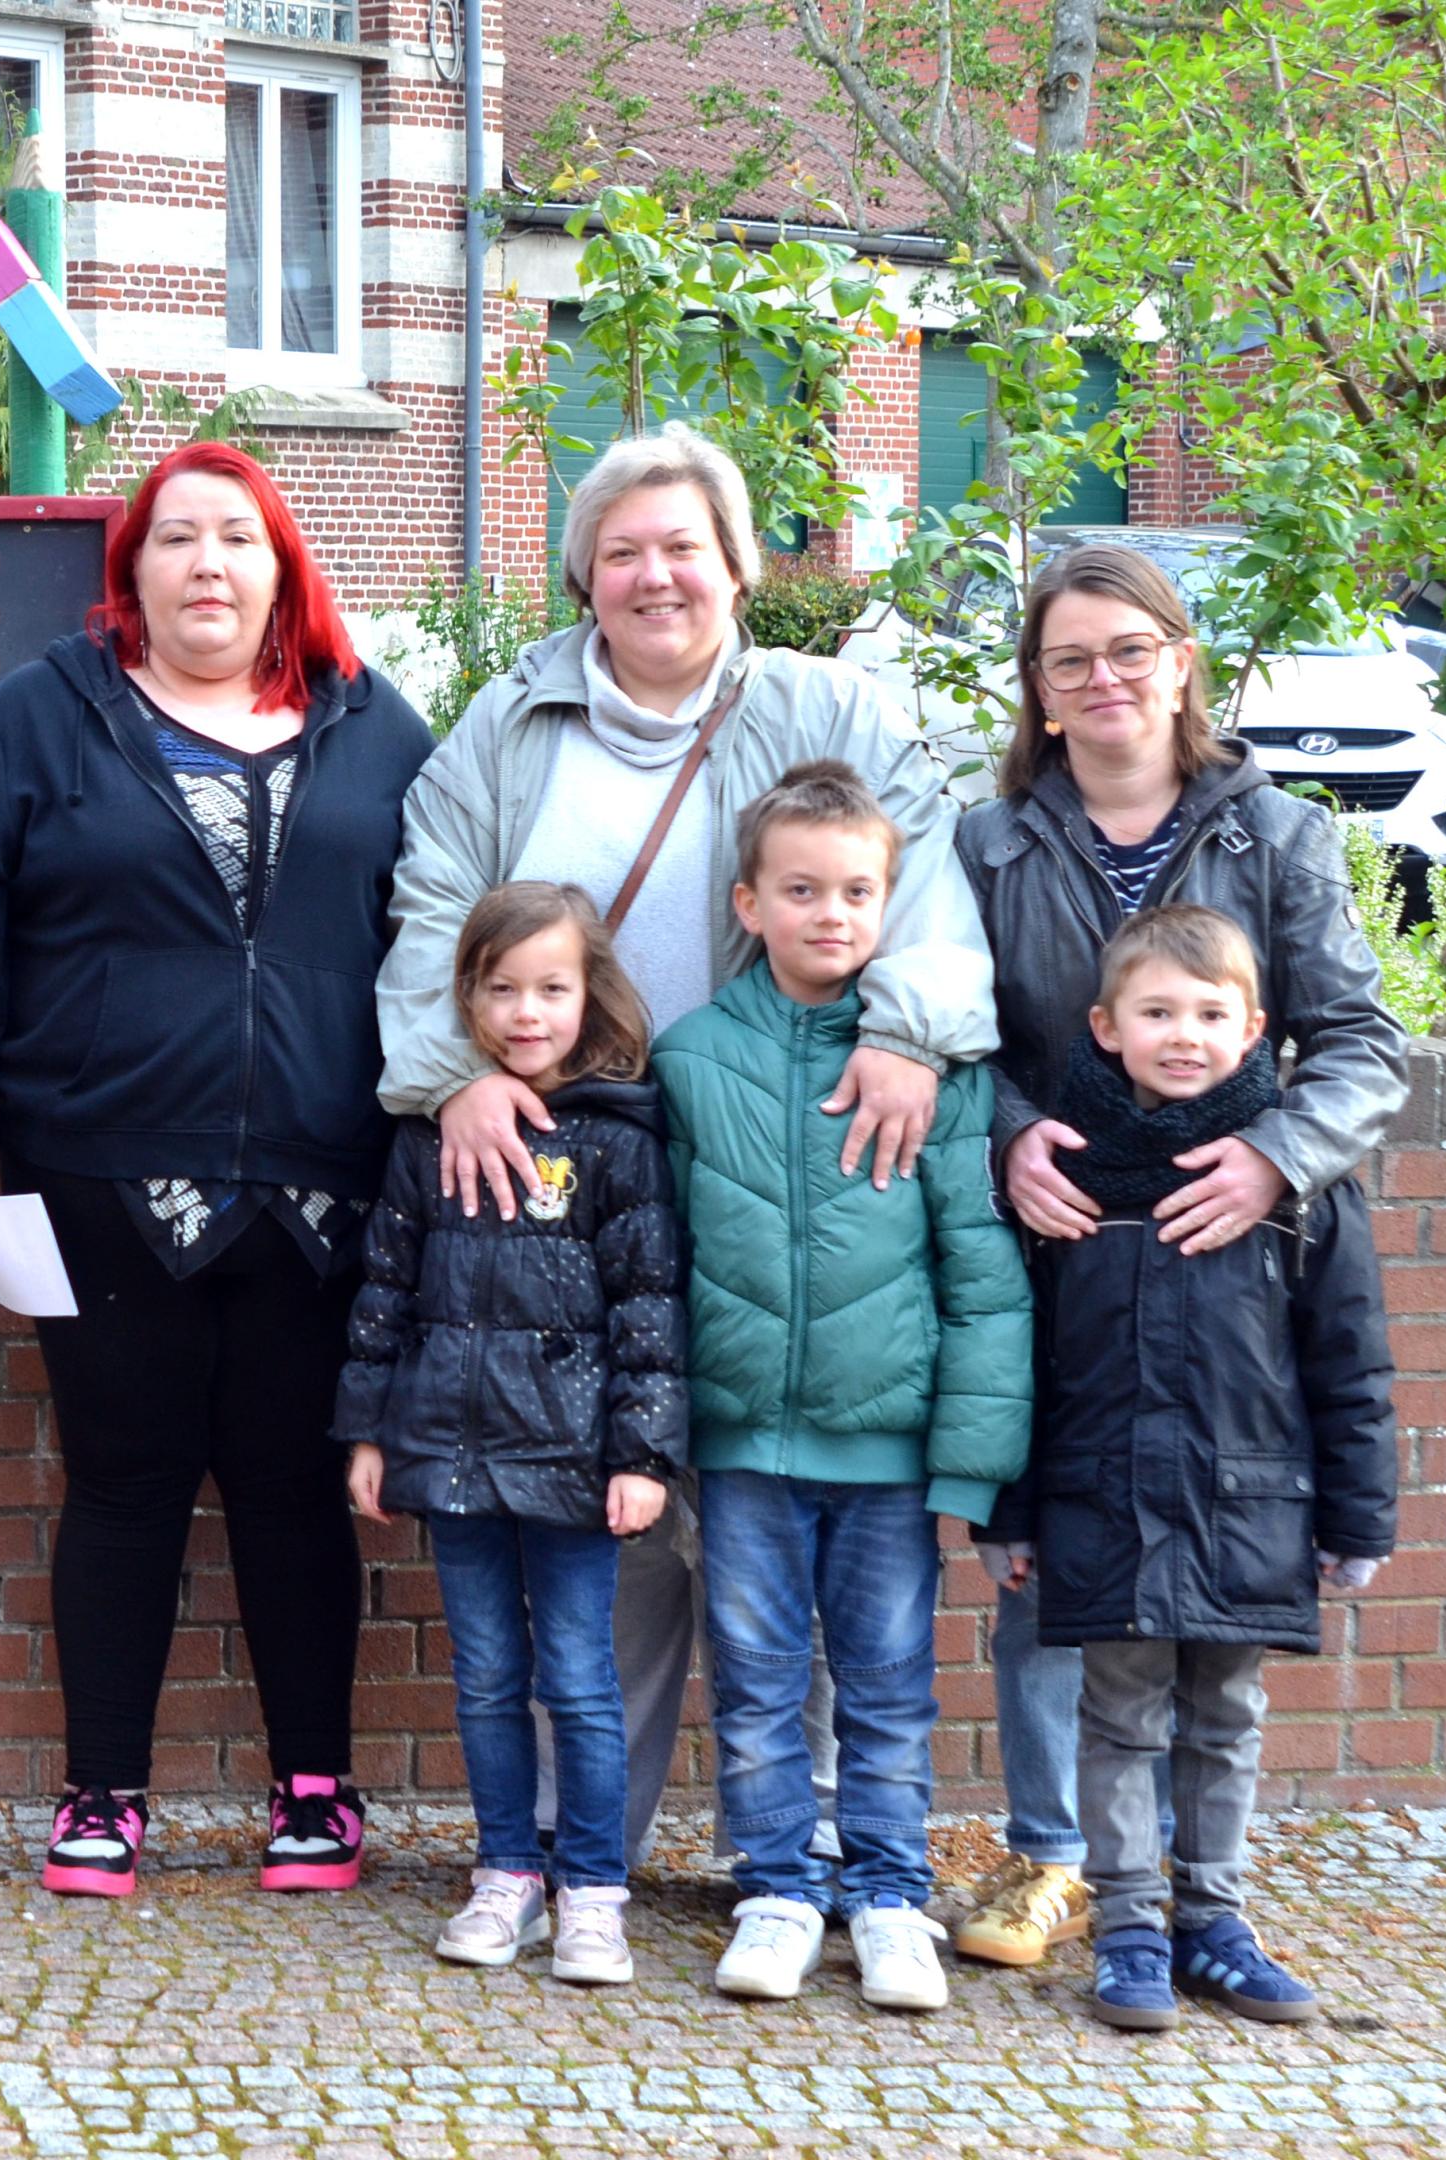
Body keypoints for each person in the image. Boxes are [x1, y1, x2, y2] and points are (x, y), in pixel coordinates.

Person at [377, 423, 997, 1870]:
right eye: (622, 553)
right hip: (572, 1181)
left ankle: (817, 1850)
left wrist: (906, 1033)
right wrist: (450, 1080)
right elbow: (431, 905)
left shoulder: (831, 708)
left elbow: (926, 893)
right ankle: (577, 1843)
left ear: (737, 565)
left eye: (683, 548)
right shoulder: (507, 724)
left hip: (785, 1167)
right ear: (582, 575)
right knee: (610, 1522)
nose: (655, 576)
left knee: (800, 1521)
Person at [0, 440, 435, 1898]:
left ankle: (313, 1789)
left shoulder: (374, 726)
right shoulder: (40, 716)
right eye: (177, 535)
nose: (207, 563)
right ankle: (102, 1791)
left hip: (323, 1185)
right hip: (97, 1175)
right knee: (121, 1485)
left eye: (237, 538)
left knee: (293, 1490)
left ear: (280, 569)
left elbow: (444, 930)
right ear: (130, 568)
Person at [951, 541, 1409, 1970]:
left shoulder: (1277, 836)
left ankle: (1185, 1898)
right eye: (1068, 659)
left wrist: (1280, 1154)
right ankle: (1053, 1859)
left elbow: (1361, 1041)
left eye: (1128, 649)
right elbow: (953, 1042)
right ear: (1037, 688)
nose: (1102, 679)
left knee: (1208, 1636)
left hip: (1230, 1251)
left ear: (1180, 661)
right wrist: (1004, 1139)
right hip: (1067, 1240)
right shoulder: (986, 846)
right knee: (1054, 1568)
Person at [652, 762, 1031, 2013]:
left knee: (885, 1689)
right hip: (743, 1447)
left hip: (887, 1453)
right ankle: (774, 1890)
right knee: (756, 1682)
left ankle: (886, 1897)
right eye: (801, 890)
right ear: (748, 904)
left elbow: (981, 1272)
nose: (830, 914)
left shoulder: (940, 1074)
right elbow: (657, 1262)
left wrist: (970, 1465)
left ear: (887, 903)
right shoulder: (689, 1059)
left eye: (856, 892)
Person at [985, 906, 1396, 2029]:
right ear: (1105, 1027)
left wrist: (1357, 1520)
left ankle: (1211, 1921)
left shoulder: (1297, 1185)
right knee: (1118, 1721)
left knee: (1223, 1720)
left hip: (1246, 1508)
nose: (1183, 1036)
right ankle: (1125, 1927)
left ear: (1254, 1028)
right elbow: (1022, 1366)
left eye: (1210, 1014)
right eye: (1157, 1013)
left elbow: (1349, 1364)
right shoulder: (1068, 1183)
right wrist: (1009, 1515)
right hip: (1103, 1504)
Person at [339, 883, 681, 1984]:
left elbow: (648, 1310)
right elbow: (385, 1293)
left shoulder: (619, 1141)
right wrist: (370, 1433)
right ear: (467, 999)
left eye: (550, 988)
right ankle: (505, 1873)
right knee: (486, 1676)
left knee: (577, 1679)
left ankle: (592, 1889)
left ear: (590, 996)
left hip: (573, 1468)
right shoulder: (425, 1138)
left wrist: (640, 1455)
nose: (525, 1012)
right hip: (451, 1455)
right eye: (500, 989)